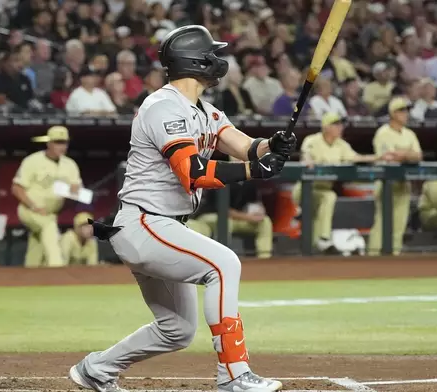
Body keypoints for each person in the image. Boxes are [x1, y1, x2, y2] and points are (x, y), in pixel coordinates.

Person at [68, 25, 295, 392]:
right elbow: (192, 172)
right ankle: (235, 375)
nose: (219, 60)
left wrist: (273, 145)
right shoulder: (163, 107)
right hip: (145, 222)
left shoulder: (205, 110)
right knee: (224, 264)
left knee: (177, 330)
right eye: (213, 53)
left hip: (160, 226)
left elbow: (244, 147)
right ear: (197, 61)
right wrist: (254, 170)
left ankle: (96, 369)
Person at [293, 113, 382, 254]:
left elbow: (356, 157)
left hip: (323, 189)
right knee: (329, 197)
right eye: (336, 124)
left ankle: (315, 248)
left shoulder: (341, 144)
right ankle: (323, 238)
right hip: (305, 188)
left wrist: (379, 157)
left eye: (341, 124)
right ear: (326, 127)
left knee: (325, 202)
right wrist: (307, 160)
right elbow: (306, 155)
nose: (340, 127)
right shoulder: (313, 140)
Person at [11, 126, 82, 268]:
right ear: (49, 143)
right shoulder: (32, 161)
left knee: (37, 243)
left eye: (64, 142)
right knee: (49, 228)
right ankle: (56, 267)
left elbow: (76, 191)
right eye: (57, 142)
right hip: (29, 209)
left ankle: (30, 272)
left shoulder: (70, 165)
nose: (61, 146)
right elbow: (16, 188)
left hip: (50, 212)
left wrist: (75, 192)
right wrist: (33, 206)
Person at [367, 98, 423, 256]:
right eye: (402, 110)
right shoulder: (383, 133)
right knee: (382, 221)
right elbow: (389, 157)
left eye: (406, 110)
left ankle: (394, 257)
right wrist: (408, 154)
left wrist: (402, 154)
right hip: (386, 182)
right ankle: (373, 255)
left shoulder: (409, 134)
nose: (406, 114)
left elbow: (418, 156)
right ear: (393, 113)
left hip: (403, 183)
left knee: (400, 224)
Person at [188, 177, 273, 259]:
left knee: (265, 221)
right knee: (225, 223)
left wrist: (260, 212)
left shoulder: (249, 183)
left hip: (238, 219)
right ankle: (224, 259)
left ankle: (264, 258)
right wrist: (248, 217)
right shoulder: (219, 177)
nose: (241, 161)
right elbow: (223, 210)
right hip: (210, 217)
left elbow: (255, 202)